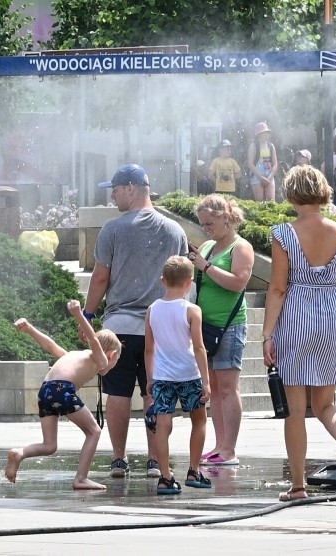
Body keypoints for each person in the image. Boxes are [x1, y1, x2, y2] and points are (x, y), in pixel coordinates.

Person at [261, 165, 336, 501]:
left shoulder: (284, 233)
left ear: (291, 193)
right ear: (323, 191)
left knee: (295, 410)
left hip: (296, 316)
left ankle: (298, 487)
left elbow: (279, 288)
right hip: (330, 315)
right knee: (326, 404)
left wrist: (267, 334)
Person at [83, 163, 189, 480]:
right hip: (161, 328)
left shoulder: (113, 229)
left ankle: (119, 459)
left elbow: (101, 278)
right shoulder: (176, 231)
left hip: (120, 329)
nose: (112, 196)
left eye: (115, 190)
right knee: (153, 392)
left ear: (131, 188)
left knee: (117, 393)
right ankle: (155, 460)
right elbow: (185, 283)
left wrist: (88, 315)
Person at [5, 300, 122, 490]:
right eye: (117, 360)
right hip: (62, 390)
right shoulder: (100, 359)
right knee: (94, 431)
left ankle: (19, 453)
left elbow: (50, 346)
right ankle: (81, 478)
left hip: (45, 391)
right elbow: (93, 340)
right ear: (112, 354)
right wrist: (79, 315)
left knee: (49, 445)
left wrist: (30, 329)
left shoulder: (73, 355)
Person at [189, 194, 255, 465]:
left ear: (226, 218)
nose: (206, 228)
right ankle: (219, 446)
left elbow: (238, 282)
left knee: (228, 387)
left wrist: (205, 266)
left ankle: (230, 448)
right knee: (213, 388)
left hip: (229, 324)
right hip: (205, 326)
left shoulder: (241, 247)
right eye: (203, 224)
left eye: (210, 222)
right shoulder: (207, 246)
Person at [144, 255, 212, 494]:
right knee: (199, 420)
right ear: (189, 282)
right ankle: (194, 470)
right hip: (189, 374)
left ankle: (165, 477)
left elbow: (149, 348)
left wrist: (150, 378)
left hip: (163, 376)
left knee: (162, 426)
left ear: (163, 281)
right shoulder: (192, 310)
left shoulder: (152, 310)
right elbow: (200, 347)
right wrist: (206, 380)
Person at [247, 121, 279, 202]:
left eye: (266, 133)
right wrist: (261, 178)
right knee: (259, 201)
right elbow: (250, 164)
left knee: (271, 201)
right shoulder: (253, 145)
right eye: (263, 133)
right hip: (257, 175)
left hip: (269, 175)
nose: (265, 135)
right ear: (258, 135)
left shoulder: (271, 146)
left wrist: (270, 177)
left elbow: (275, 164)